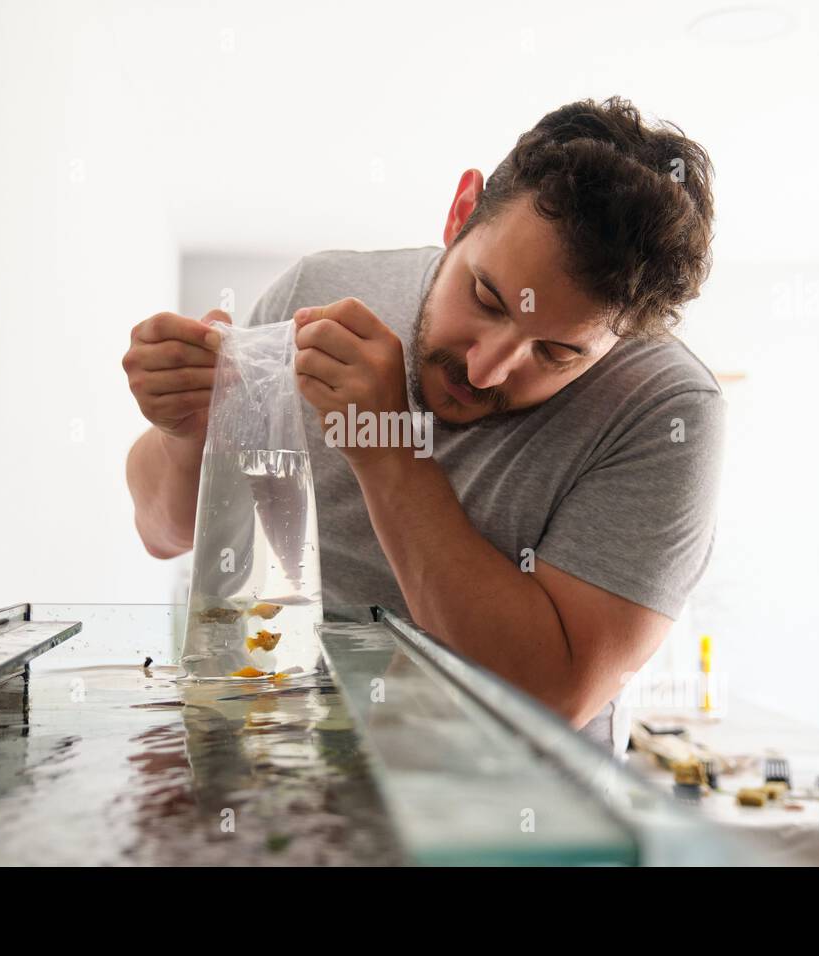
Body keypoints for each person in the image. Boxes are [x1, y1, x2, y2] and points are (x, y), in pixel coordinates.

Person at [123, 97, 724, 754]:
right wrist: (188, 433)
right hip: (287, 768)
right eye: (486, 299)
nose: (487, 368)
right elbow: (166, 531)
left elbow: (550, 693)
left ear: (622, 343)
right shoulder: (318, 290)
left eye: (555, 353)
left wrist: (387, 450)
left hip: (507, 820)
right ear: (461, 211)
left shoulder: (665, 410)